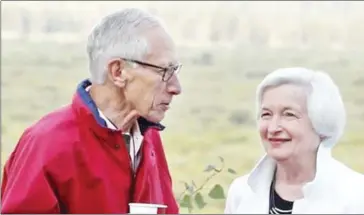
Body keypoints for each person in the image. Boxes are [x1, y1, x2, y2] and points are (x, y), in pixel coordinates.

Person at [1, 8, 182, 214]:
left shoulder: (148, 137)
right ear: (118, 72)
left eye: (175, 70)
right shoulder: (46, 144)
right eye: (164, 71)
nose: (176, 87)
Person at [224, 67, 364, 214]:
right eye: (266, 114)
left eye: (289, 115)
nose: (272, 128)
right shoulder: (241, 192)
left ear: (322, 124)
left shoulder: (356, 195)